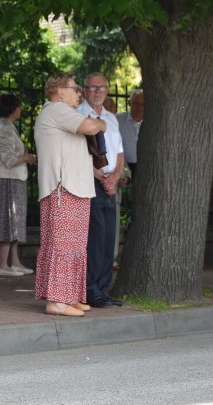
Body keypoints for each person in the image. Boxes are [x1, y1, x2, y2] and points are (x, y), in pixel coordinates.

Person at [34, 72, 108, 317]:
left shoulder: (61, 112)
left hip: (73, 187)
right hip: (63, 187)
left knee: (74, 245)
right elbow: (90, 125)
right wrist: (101, 123)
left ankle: (70, 296)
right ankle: (58, 301)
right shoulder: (56, 109)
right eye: (74, 88)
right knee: (63, 245)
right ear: (58, 90)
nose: (79, 92)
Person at [76, 73, 124, 307]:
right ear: (84, 90)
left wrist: (114, 177)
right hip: (90, 179)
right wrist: (100, 176)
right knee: (95, 237)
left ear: (107, 90)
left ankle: (103, 288)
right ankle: (90, 289)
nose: (97, 91)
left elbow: (120, 152)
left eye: (101, 88)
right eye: (92, 88)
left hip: (110, 182)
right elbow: (79, 153)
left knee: (108, 237)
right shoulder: (77, 115)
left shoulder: (112, 119)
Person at [0, 93, 35, 277]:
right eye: (19, 106)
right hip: (6, 179)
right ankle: (2, 264)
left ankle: (14, 262)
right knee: (8, 220)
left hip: (11, 179)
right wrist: (26, 157)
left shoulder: (6, 126)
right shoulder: (4, 128)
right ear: (12, 108)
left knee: (15, 221)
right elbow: (8, 159)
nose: (21, 109)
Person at [118, 89, 144, 177]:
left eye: (143, 104)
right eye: (136, 103)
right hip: (125, 167)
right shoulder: (118, 120)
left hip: (146, 166)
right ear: (129, 103)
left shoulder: (152, 122)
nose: (139, 107)